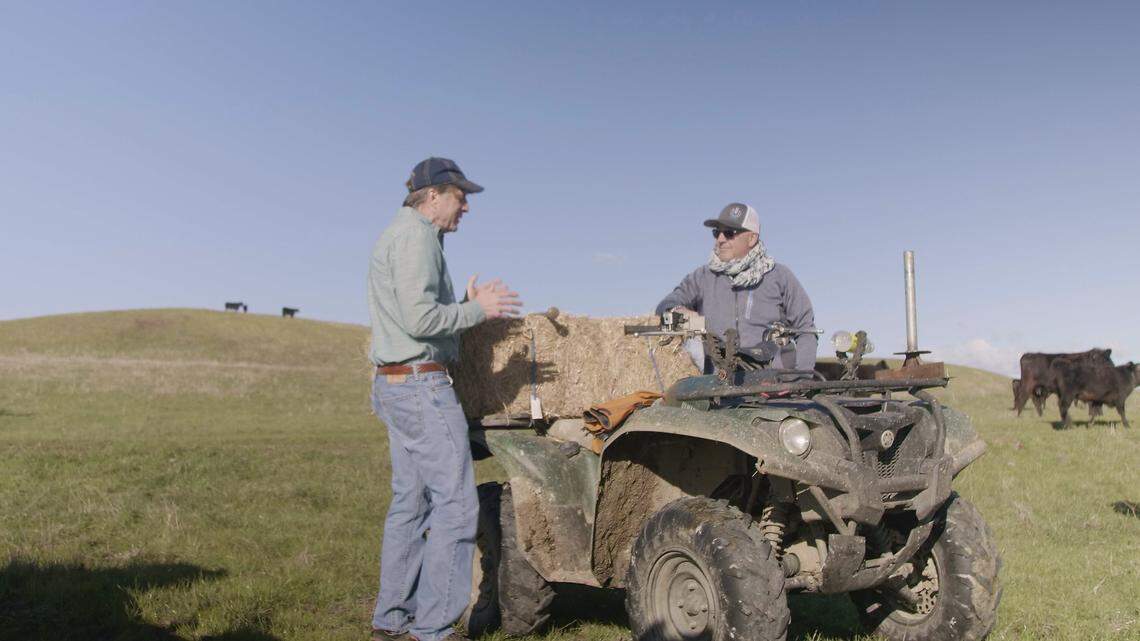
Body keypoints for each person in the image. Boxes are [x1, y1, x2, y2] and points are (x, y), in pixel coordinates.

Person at [368, 157, 522, 641]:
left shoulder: (402, 234)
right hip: (421, 387)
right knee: (456, 505)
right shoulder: (415, 238)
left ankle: (391, 623)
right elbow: (418, 321)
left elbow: (418, 314)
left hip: (396, 383)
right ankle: (432, 629)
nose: (467, 207)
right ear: (433, 195)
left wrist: (461, 306)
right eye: (461, 196)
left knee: (409, 505)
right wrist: (477, 310)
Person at [656, 202, 817, 371]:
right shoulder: (701, 278)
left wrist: (801, 377)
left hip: (775, 387)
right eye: (716, 232)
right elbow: (665, 307)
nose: (720, 239)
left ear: (752, 238)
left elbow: (805, 329)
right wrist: (678, 313)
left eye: (729, 233)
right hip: (720, 387)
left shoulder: (780, 276)